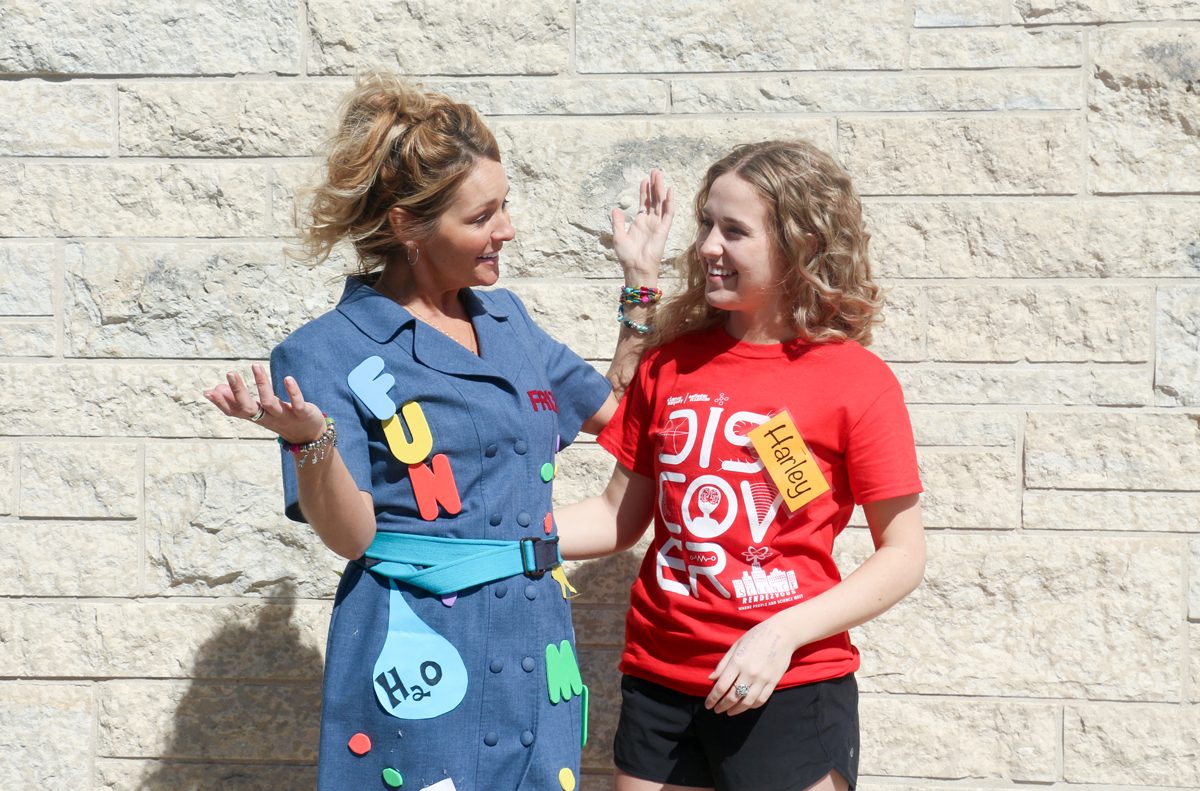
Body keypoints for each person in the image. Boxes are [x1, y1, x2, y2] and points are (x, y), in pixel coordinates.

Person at [202, 72, 673, 791]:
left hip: (535, 650)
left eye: (505, 205)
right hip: (421, 658)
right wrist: (311, 441)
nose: (507, 229)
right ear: (407, 227)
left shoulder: (509, 322)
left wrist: (639, 291)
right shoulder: (324, 351)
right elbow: (352, 535)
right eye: (483, 215)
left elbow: (621, 416)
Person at [556, 140, 926, 791]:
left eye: (734, 230)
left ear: (800, 242)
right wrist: (487, 534)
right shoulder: (669, 364)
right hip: (660, 683)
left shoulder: (856, 381)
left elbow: (903, 554)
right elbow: (617, 516)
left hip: (788, 684)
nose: (706, 246)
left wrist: (782, 634)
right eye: (706, 224)